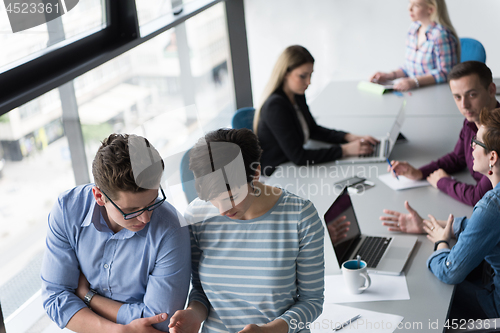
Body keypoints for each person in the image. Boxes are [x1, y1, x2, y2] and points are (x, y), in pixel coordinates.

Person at [168, 128, 324, 333]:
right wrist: (194, 314)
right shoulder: (197, 215)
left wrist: (268, 331)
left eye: (231, 196)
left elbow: (312, 302)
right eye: (213, 198)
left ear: (255, 173)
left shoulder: (300, 216)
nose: (222, 210)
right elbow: (200, 290)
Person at [41, 134, 191, 332]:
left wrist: (87, 297)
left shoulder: (171, 230)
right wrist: (118, 330)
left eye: (152, 202)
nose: (146, 218)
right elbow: (55, 297)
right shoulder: (68, 210)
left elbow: (160, 321)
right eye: (132, 211)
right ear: (99, 196)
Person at [381, 108, 500, 319]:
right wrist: (427, 225)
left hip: (494, 306)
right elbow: (483, 228)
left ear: (492, 157)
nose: (471, 147)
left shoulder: (492, 206)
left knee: (415, 284)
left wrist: (441, 242)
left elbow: (449, 270)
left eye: (477, 142)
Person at [386, 61, 499, 207]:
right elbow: (457, 158)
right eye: (457, 97)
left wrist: (443, 182)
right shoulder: (471, 122)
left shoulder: (496, 136)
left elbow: (478, 197)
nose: (464, 105)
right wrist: (420, 173)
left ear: (491, 90)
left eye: (471, 95)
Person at [255, 45, 378, 177]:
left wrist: (347, 137)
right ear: (285, 73)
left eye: (310, 75)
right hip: (278, 173)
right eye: (303, 76)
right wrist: (345, 150)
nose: (308, 82)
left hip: (292, 165)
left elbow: (313, 130)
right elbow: (299, 157)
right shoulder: (275, 106)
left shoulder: (297, 94)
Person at [370, 0, 460, 91]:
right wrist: (389, 75)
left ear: (431, 9)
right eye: (409, 3)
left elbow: (446, 73)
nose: (409, 8)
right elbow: (410, 67)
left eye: (416, 5)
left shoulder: (440, 35)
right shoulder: (413, 29)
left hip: (434, 92)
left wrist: (414, 82)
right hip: (414, 91)